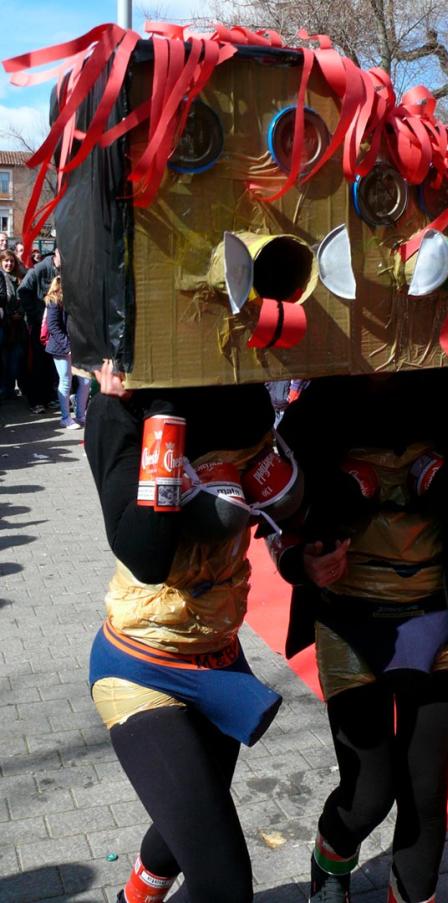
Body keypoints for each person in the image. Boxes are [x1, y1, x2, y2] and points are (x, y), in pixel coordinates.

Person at [271, 361, 448, 903]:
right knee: (368, 792)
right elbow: (275, 517)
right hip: (350, 622)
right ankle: (330, 862)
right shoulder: (316, 404)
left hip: (439, 616)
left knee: (425, 790)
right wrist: (302, 566)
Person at [85, 363, 283, 903]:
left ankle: (134, 898)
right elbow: (146, 555)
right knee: (224, 882)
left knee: (186, 828)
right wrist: (162, 415)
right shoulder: (116, 409)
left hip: (219, 658)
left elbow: (276, 510)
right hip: (139, 663)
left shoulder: (247, 400)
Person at [43, 275, 90, 428]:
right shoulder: (53, 301)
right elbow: (53, 327)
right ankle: (65, 418)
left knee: (86, 381)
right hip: (61, 347)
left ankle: (80, 414)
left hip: (76, 346)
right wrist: (67, 346)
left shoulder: (75, 299)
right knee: (65, 381)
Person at [18, 247, 61, 413]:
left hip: (55, 325)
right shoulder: (40, 268)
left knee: (51, 363)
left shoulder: (65, 269)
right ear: (56, 253)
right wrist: (35, 314)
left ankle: (49, 397)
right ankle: (35, 400)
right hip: (39, 325)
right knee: (37, 362)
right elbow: (23, 290)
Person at [0, 249, 27, 400]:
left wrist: (21, 313)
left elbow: (24, 298)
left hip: (18, 327)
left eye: (11, 261)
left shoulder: (19, 278)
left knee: (15, 360)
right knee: (4, 360)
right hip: (5, 324)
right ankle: (5, 390)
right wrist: (10, 315)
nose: (9, 264)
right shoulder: (0, 277)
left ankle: (10, 390)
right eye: (6, 261)